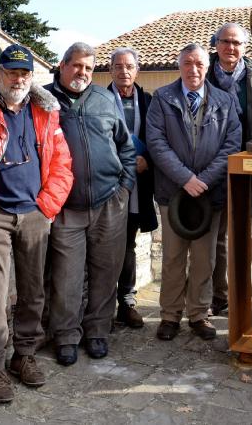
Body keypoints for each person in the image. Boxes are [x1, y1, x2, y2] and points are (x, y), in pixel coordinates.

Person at [0, 44, 73, 403]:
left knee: (32, 289)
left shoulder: (45, 113)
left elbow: (61, 165)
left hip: (35, 214)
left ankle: (24, 355)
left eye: (25, 73)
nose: (19, 79)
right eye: (12, 72)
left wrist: (47, 207)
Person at [45, 42, 136, 366]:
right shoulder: (43, 100)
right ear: (63, 65)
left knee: (105, 272)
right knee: (66, 277)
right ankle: (67, 336)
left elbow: (126, 147)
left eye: (88, 67)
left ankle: (98, 330)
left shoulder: (104, 99)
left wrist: (124, 187)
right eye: (77, 65)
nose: (82, 72)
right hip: (66, 208)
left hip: (109, 202)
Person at [146, 43, 241, 341]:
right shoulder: (162, 98)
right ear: (180, 65)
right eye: (187, 63)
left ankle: (199, 314)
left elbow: (232, 144)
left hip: (208, 195)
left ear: (206, 65)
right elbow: (156, 143)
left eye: (199, 63)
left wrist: (205, 180)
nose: (194, 69)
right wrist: (186, 178)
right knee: (173, 257)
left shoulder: (225, 101)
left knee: (204, 259)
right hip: (173, 193)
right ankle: (170, 315)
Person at [205, 23, 252, 325]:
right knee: (218, 237)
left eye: (237, 43)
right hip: (214, 169)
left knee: (251, 236)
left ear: (245, 47)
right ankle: (220, 297)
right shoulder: (202, 76)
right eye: (225, 42)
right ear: (216, 44)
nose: (231, 48)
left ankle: (251, 298)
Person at [108, 47, 158, 329]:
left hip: (139, 185)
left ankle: (127, 302)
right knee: (104, 246)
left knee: (128, 244)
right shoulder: (100, 100)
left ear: (137, 70)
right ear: (111, 70)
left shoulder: (150, 101)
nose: (124, 71)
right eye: (118, 66)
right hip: (108, 183)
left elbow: (160, 137)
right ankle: (101, 305)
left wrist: (146, 159)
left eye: (129, 66)